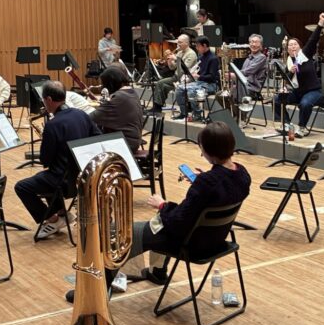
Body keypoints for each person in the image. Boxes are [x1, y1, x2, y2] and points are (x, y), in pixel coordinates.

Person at [69, 121, 251, 300]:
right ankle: (158, 272)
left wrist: (163, 205)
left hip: (192, 243)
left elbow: (177, 222)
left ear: (209, 150)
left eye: (202, 149)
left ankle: (94, 292)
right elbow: (222, 190)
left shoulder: (207, 184)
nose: (201, 153)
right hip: (215, 238)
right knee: (158, 220)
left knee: (122, 232)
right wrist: (203, 180)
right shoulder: (242, 175)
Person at [14, 81, 100, 240]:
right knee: (44, 177)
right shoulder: (81, 114)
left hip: (64, 182)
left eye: (43, 100)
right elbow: (97, 137)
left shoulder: (52, 125)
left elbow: (45, 160)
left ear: (48, 99)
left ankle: (53, 219)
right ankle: (62, 213)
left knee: (22, 187)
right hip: (83, 176)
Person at [273, 14, 324, 136]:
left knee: (305, 103)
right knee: (277, 99)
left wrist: (320, 23)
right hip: (297, 92)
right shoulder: (289, 61)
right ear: (287, 49)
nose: (292, 46)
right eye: (290, 45)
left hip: (313, 91)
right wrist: (290, 72)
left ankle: (302, 127)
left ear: (300, 46)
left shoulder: (305, 54)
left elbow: (313, 40)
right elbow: (287, 80)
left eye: (295, 44)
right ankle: (287, 124)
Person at [90, 65, 144, 153]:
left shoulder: (119, 97)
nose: (103, 87)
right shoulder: (131, 92)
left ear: (111, 83)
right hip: (133, 140)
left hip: (125, 143)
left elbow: (91, 118)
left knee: (86, 144)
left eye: (104, 84)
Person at [174, 37, 219, 121]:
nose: (197, 48)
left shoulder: (213, 59)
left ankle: (197, 114)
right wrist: (190, 76)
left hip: (211, 85)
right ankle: (184, 113)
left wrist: (198, 76)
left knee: (191, 91)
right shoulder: (201, 57)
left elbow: (212, 77)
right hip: (200, 83)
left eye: (198, 46)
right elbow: (198, 72)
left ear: (204, 45)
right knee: (179, 88)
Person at [151, 33, 197, 114]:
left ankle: (186, 108)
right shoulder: (180, 52)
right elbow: (172, 68)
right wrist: (169, 60)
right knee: (160, 84)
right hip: (176, 77)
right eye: (177, 42)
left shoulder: (191, 54)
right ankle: (157, 107)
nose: (178, 44)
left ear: (187, 43)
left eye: (180, 42)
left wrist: (176, 59)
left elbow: (184, 69)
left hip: (186, 80)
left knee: (163, 85)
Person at [234, 33, 268, 98]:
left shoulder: (262, 57)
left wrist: (235, 74)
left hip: (253, 88)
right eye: (252, 42)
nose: (254, 44)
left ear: (261, 45)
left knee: (235, 89)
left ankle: (238, 103)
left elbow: (249, 71)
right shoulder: (248, 58)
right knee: (222, 94)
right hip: (245, 85)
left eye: (256, 42)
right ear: (249, 44)